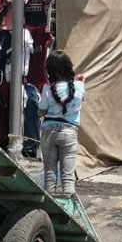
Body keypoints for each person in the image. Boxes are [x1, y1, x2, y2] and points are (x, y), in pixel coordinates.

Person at [38, 51, 85, 195]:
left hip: (49, 132)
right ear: (68, 67)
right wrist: (81, 83)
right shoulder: (79, 87)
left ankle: (49, 208)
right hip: (69, 131)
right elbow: (79, 101)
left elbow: (41, 112)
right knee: (68, 175)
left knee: (50, 174)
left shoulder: (47, 89)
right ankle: (68, 208)